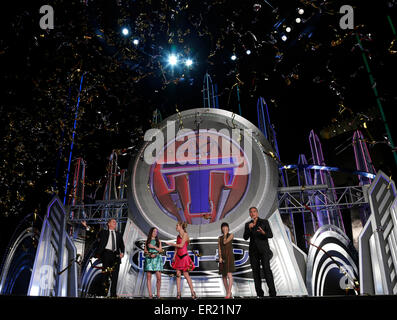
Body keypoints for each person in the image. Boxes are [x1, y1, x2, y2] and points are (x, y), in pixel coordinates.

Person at [243, 207, 277, 297]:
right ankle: (259, 294)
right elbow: (245, 237)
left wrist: (263, 233)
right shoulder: (248, 224)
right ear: (250, 214)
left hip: (264, 250)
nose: (253, 213)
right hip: (253, 251)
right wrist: (249, 229)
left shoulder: (264, 222)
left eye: (254, 211)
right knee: (256, 272)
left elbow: (270, 235)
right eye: (251, 212)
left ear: (257, 213)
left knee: (267, 270)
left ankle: (273, 293)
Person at [166, 221, 196, 299]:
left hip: (184, 257)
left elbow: (181, 245)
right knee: (178, 275)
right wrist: (174, 256)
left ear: (181, 226)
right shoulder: (178, 236)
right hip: (178, 257)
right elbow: (177, 247)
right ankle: (178, 294)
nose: (176, 227)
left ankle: (193, 292)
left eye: (177, 225)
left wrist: (171, 244)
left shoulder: (185, 235)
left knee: (186, 275)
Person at [96, 218, 125, 297]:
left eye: (115, 222)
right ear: (108, 224)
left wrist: (122, 253)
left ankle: (113, 294)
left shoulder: (118, 234)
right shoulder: (103, 232)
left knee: (115, 276)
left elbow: (122, 246)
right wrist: (87, 227)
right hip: (106, 254)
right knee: (105, 275)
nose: (115, 223)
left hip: (116, 256)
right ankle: (103, 293)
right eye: (113, 222)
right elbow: (95, 233)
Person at [144, 227, 163, 299]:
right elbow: (145, 251)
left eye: (156, 232)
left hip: (157, 258)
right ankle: (150, 294)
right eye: (154, 231)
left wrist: (154, 247)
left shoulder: (158, 241)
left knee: (159, 278)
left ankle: (158, 293)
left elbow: (160, 250)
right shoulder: (147, 241)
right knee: (149, 277)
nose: (155, 233)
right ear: (151, 232)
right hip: (149, 259)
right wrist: (149, 254)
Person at [218, 222, 235, 299]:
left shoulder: (231, 235)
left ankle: (228, 293)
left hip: (229, 257)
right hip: (223, 257)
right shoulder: (219, 238)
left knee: (229, 275)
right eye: (223, 227)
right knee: (223, 276)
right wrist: (220, 257)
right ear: (221, 228)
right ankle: (228, 292)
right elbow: (219, 248)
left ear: (228, 228)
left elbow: (225, 242)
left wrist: (225, 234)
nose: (225, 228)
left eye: (226, 227)